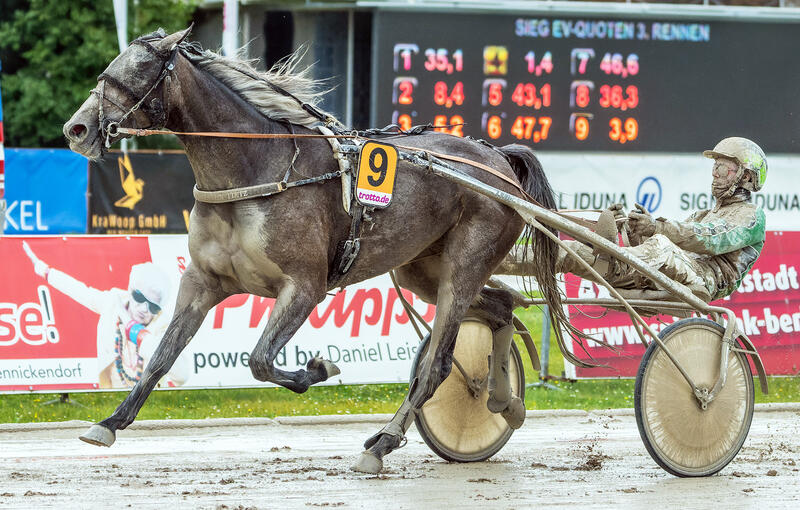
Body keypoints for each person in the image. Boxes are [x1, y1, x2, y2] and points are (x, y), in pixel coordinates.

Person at [498, 137, 768, 302]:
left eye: (724, 167)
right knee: (569, 251)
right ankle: (492, 258)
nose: (715, 173)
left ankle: (613, 250)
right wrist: (632, 228)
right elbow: (682, 241)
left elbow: (707, 239)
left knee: (661, 244)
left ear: (746, 176)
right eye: (715, 166)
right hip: (658, 269)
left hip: (705, 281)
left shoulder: (751, 217)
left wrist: (656, 228)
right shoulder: (704, 214)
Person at [23, 243, 190, 388]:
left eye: (153, 306)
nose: (144, 309)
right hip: (110, 396)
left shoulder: (163, 325)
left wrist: (138, 334)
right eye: (140, 298)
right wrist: (44, 270)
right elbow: (78, 290)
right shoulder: (112, 302)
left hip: (147, 399)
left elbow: (182, 376)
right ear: (131, 290)